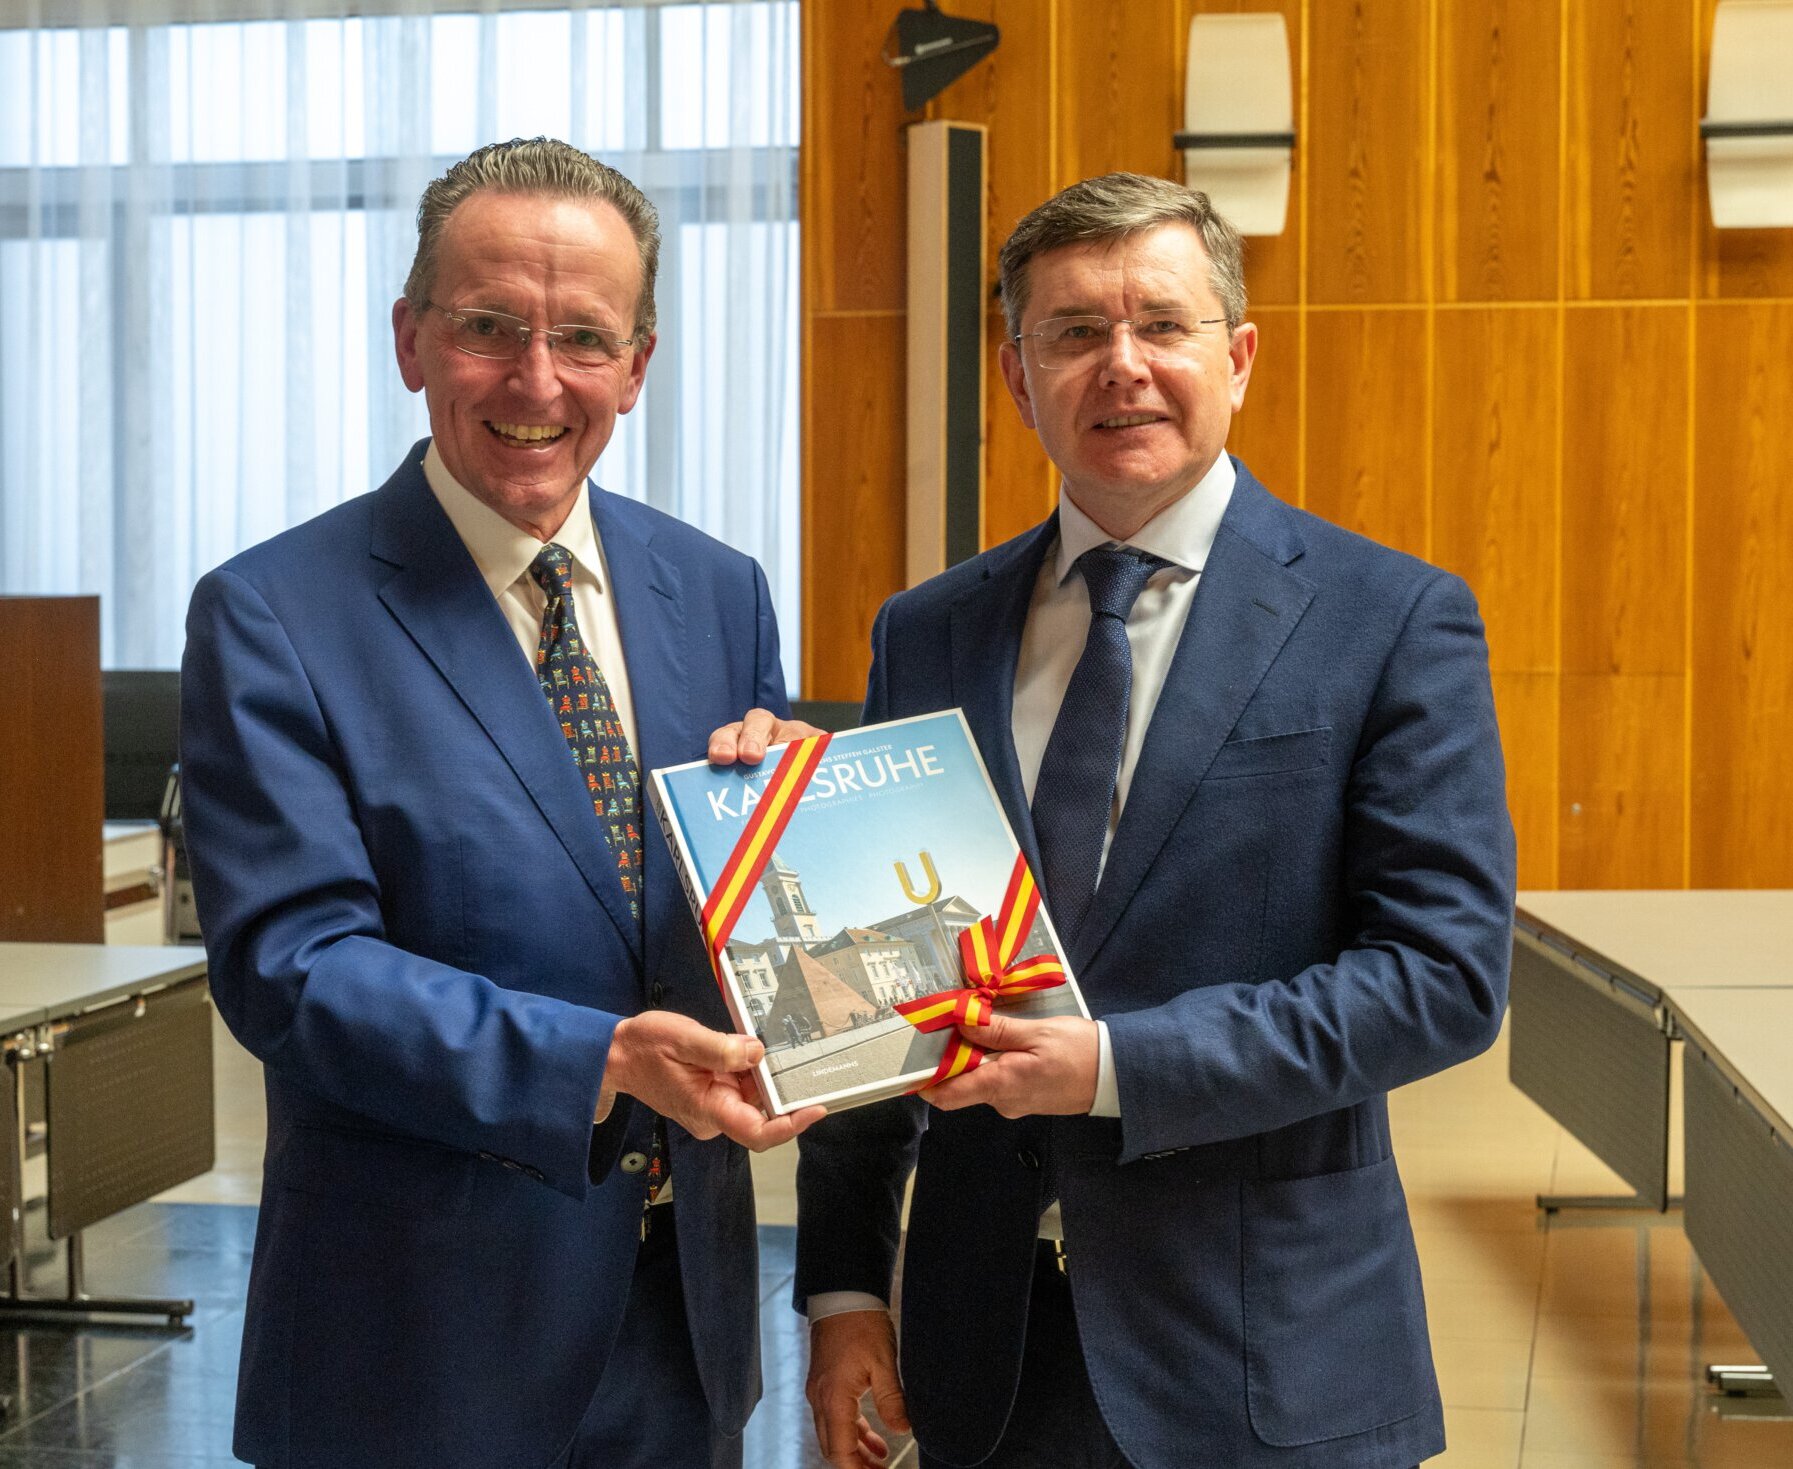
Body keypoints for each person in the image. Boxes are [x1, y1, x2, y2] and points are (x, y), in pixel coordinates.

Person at [789, 173, 1517, 1469]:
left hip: (1263, 1359)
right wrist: (843, 1289)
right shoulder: (927, 632)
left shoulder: (1388, 621)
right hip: (981, 1362)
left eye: (1161, 325)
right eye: (1073, 333)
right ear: (1018, 377)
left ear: (1234, 357)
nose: (1119, 367)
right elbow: (886, 999)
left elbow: (1441, 980)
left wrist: (1111, 1063)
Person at [181, 138, 821, 1469]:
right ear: (411, 339)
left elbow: (723, 933)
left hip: (684, 1323)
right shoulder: (272, 615)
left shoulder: (716, 590)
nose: (537, 381)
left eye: (583, 336)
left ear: (637, 366)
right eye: (487, 328)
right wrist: (593, 1060)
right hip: (416, 1345)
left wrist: (792, 830)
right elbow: (291, 970)